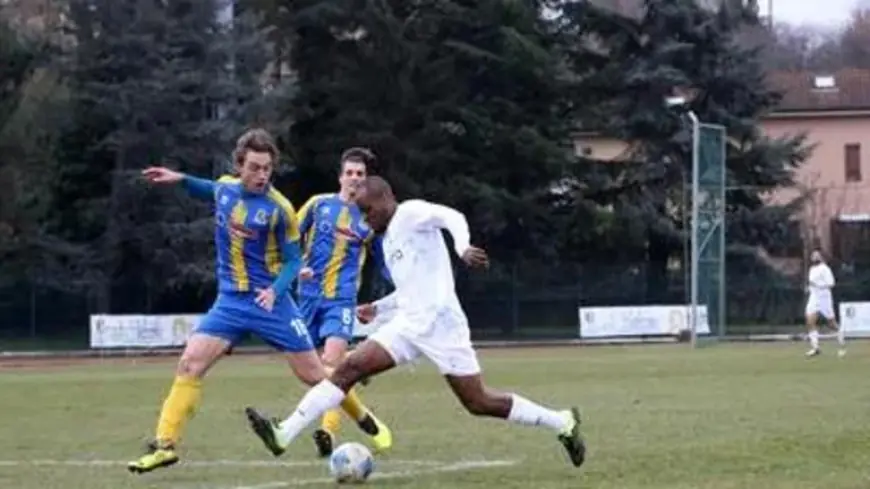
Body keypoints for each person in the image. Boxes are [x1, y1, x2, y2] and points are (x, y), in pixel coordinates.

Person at [243, 176, 586, 468]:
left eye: (368, 211)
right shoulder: (388, 239)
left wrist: (462, 247)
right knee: (349, 369)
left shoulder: (409, 213)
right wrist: (378, 308)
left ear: (385, 199)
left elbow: (451, 216)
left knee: (478, 402)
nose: (365, 220)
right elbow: (411, 289)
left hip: (442, 326)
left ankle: (561, 421)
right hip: (408, 325)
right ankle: (284, 432)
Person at [127, 129, 386, 474]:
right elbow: (210, 189)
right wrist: (181, 179)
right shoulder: (226, 189)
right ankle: (165, 446)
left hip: (272, 304)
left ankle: (365, 418)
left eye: (267, 168)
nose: (262, 175)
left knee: (314, 375)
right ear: (239, 166)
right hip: (231, 302)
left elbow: (293, 261)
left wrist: (275, 290)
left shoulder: (280, 209)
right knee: (190, 364)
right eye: (254, 168)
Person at [295, 147, 392, 457]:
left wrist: (396, 293)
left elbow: (386, 263)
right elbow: (288, 237)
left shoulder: (369, 220)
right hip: (307, 298)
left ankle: (328, 432)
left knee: (332, 365)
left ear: (366, 180)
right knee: (313, 373)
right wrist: (296, 267)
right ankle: (363, 412)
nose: (354, 178)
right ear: (340, 177)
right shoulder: (318, 205)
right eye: (349, 173)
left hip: (341, 300)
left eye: (360, 174)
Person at [805, 249, 844, 357]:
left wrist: (818, 285)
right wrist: (809, 288)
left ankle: (841, 343)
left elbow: (831, 283)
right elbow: (811, 283)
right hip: (814, 298)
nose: (814, 257)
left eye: (817, 255)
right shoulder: (811, 269)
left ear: (821, 257)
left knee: (831, 323)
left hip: (824, 298)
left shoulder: (825, 269)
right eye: (813, 255)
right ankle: (815, 348)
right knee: (810, 321)